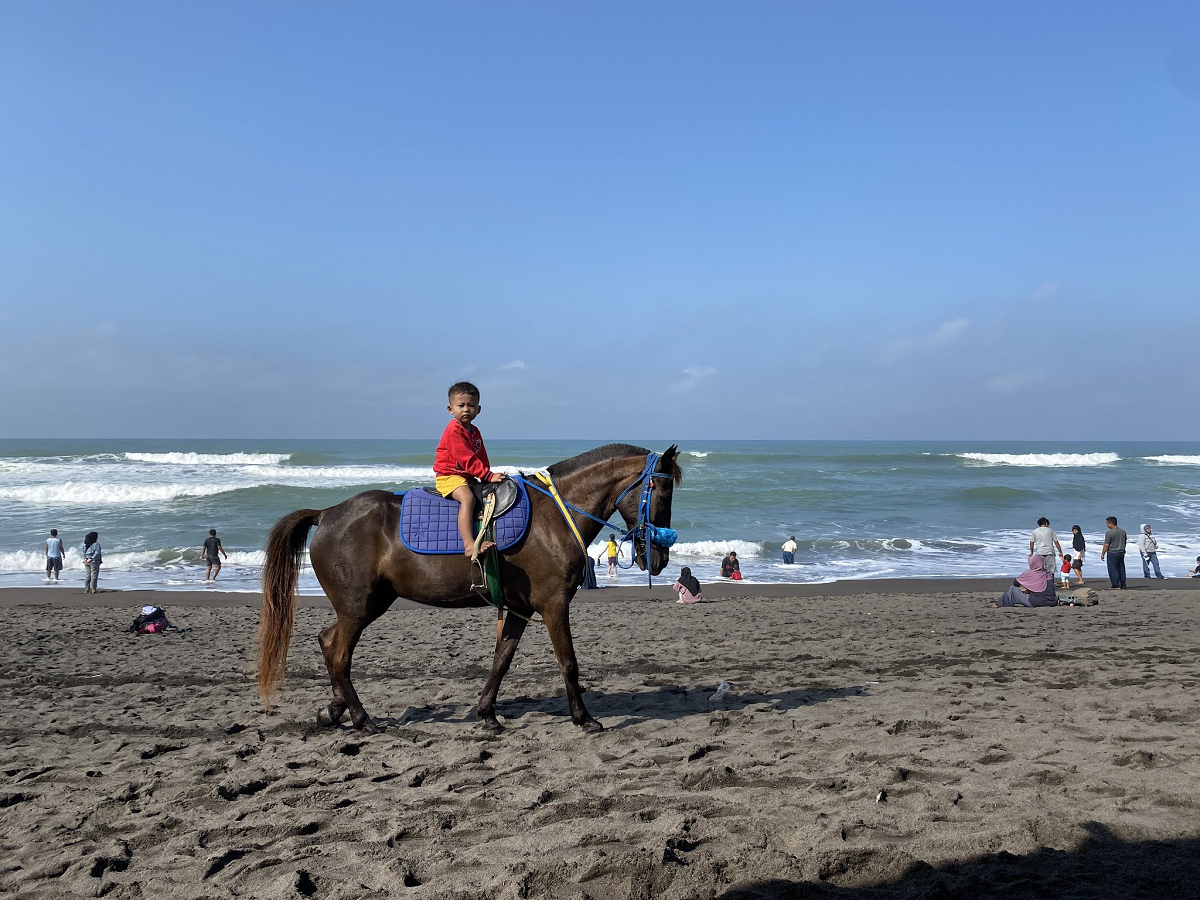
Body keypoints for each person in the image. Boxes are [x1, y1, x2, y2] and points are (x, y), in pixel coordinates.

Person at [434, 382, 505, 557]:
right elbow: (466, 458)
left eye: (471, 405)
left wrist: (487, 477)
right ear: (451, 409)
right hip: (449, 476)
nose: (466, 409)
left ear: (478, 409)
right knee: (467, 499)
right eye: (461, 405)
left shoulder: (475, 431)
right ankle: (469, 545)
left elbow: (481, 456)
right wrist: (487, 474)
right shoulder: (453, 430)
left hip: (466, 477)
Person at [990, 555, 1058, 607]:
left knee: (1012, 589)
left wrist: (1026, 585)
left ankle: (1000, 604)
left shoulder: (1029, 574)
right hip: (1052, 602)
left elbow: (1015, 583)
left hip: (1037, 603)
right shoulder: (1048, 574)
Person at [1100, 516, 1128, 589]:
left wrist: (1103, 554)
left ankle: (1115, 584)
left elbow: (1106, 545)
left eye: (1107, 523)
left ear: (1111, 523)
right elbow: (1125, 542)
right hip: (1121, 551)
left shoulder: (1109, 533)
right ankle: (1123, 584)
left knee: (1113, 569)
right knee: (1121, 568)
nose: (1106, 525)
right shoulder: (1123, 532)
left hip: (1113, 552)